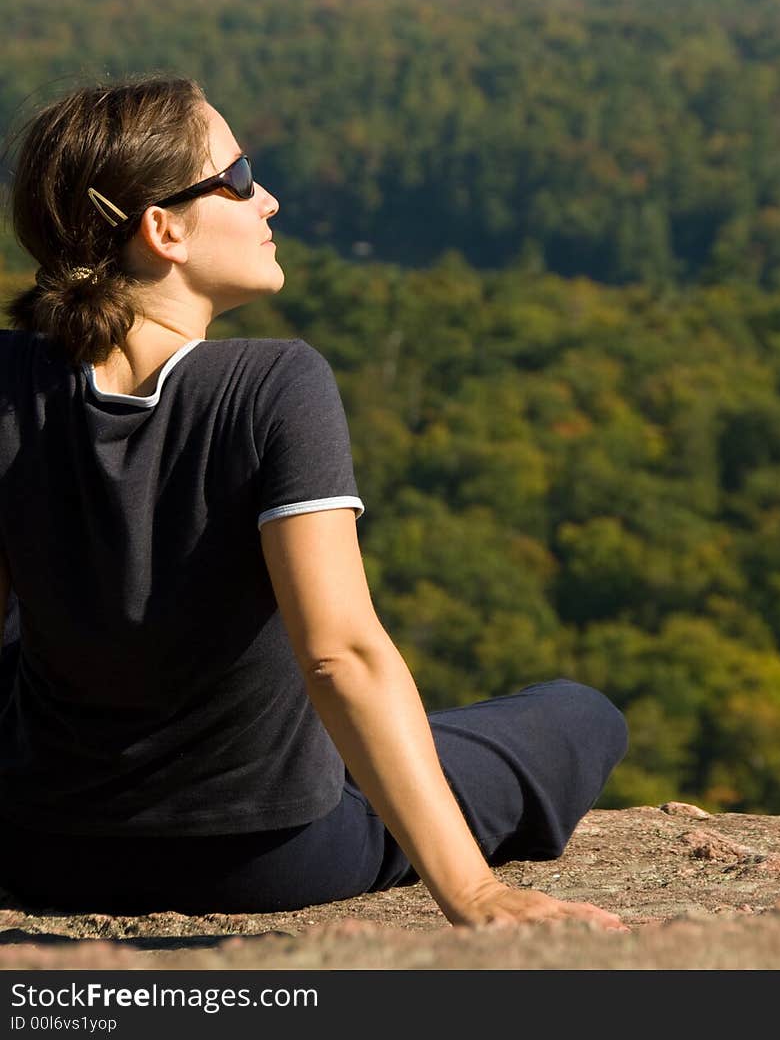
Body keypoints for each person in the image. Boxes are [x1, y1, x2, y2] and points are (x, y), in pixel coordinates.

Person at [0, 76, 628, 927]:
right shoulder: (272, 386)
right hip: (257, 857)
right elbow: (340, 655)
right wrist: (478, 894)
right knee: (575, 715)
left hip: (42, 849)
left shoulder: (11, 380)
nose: (269, 199)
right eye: (240, 174)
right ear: (163, 230)